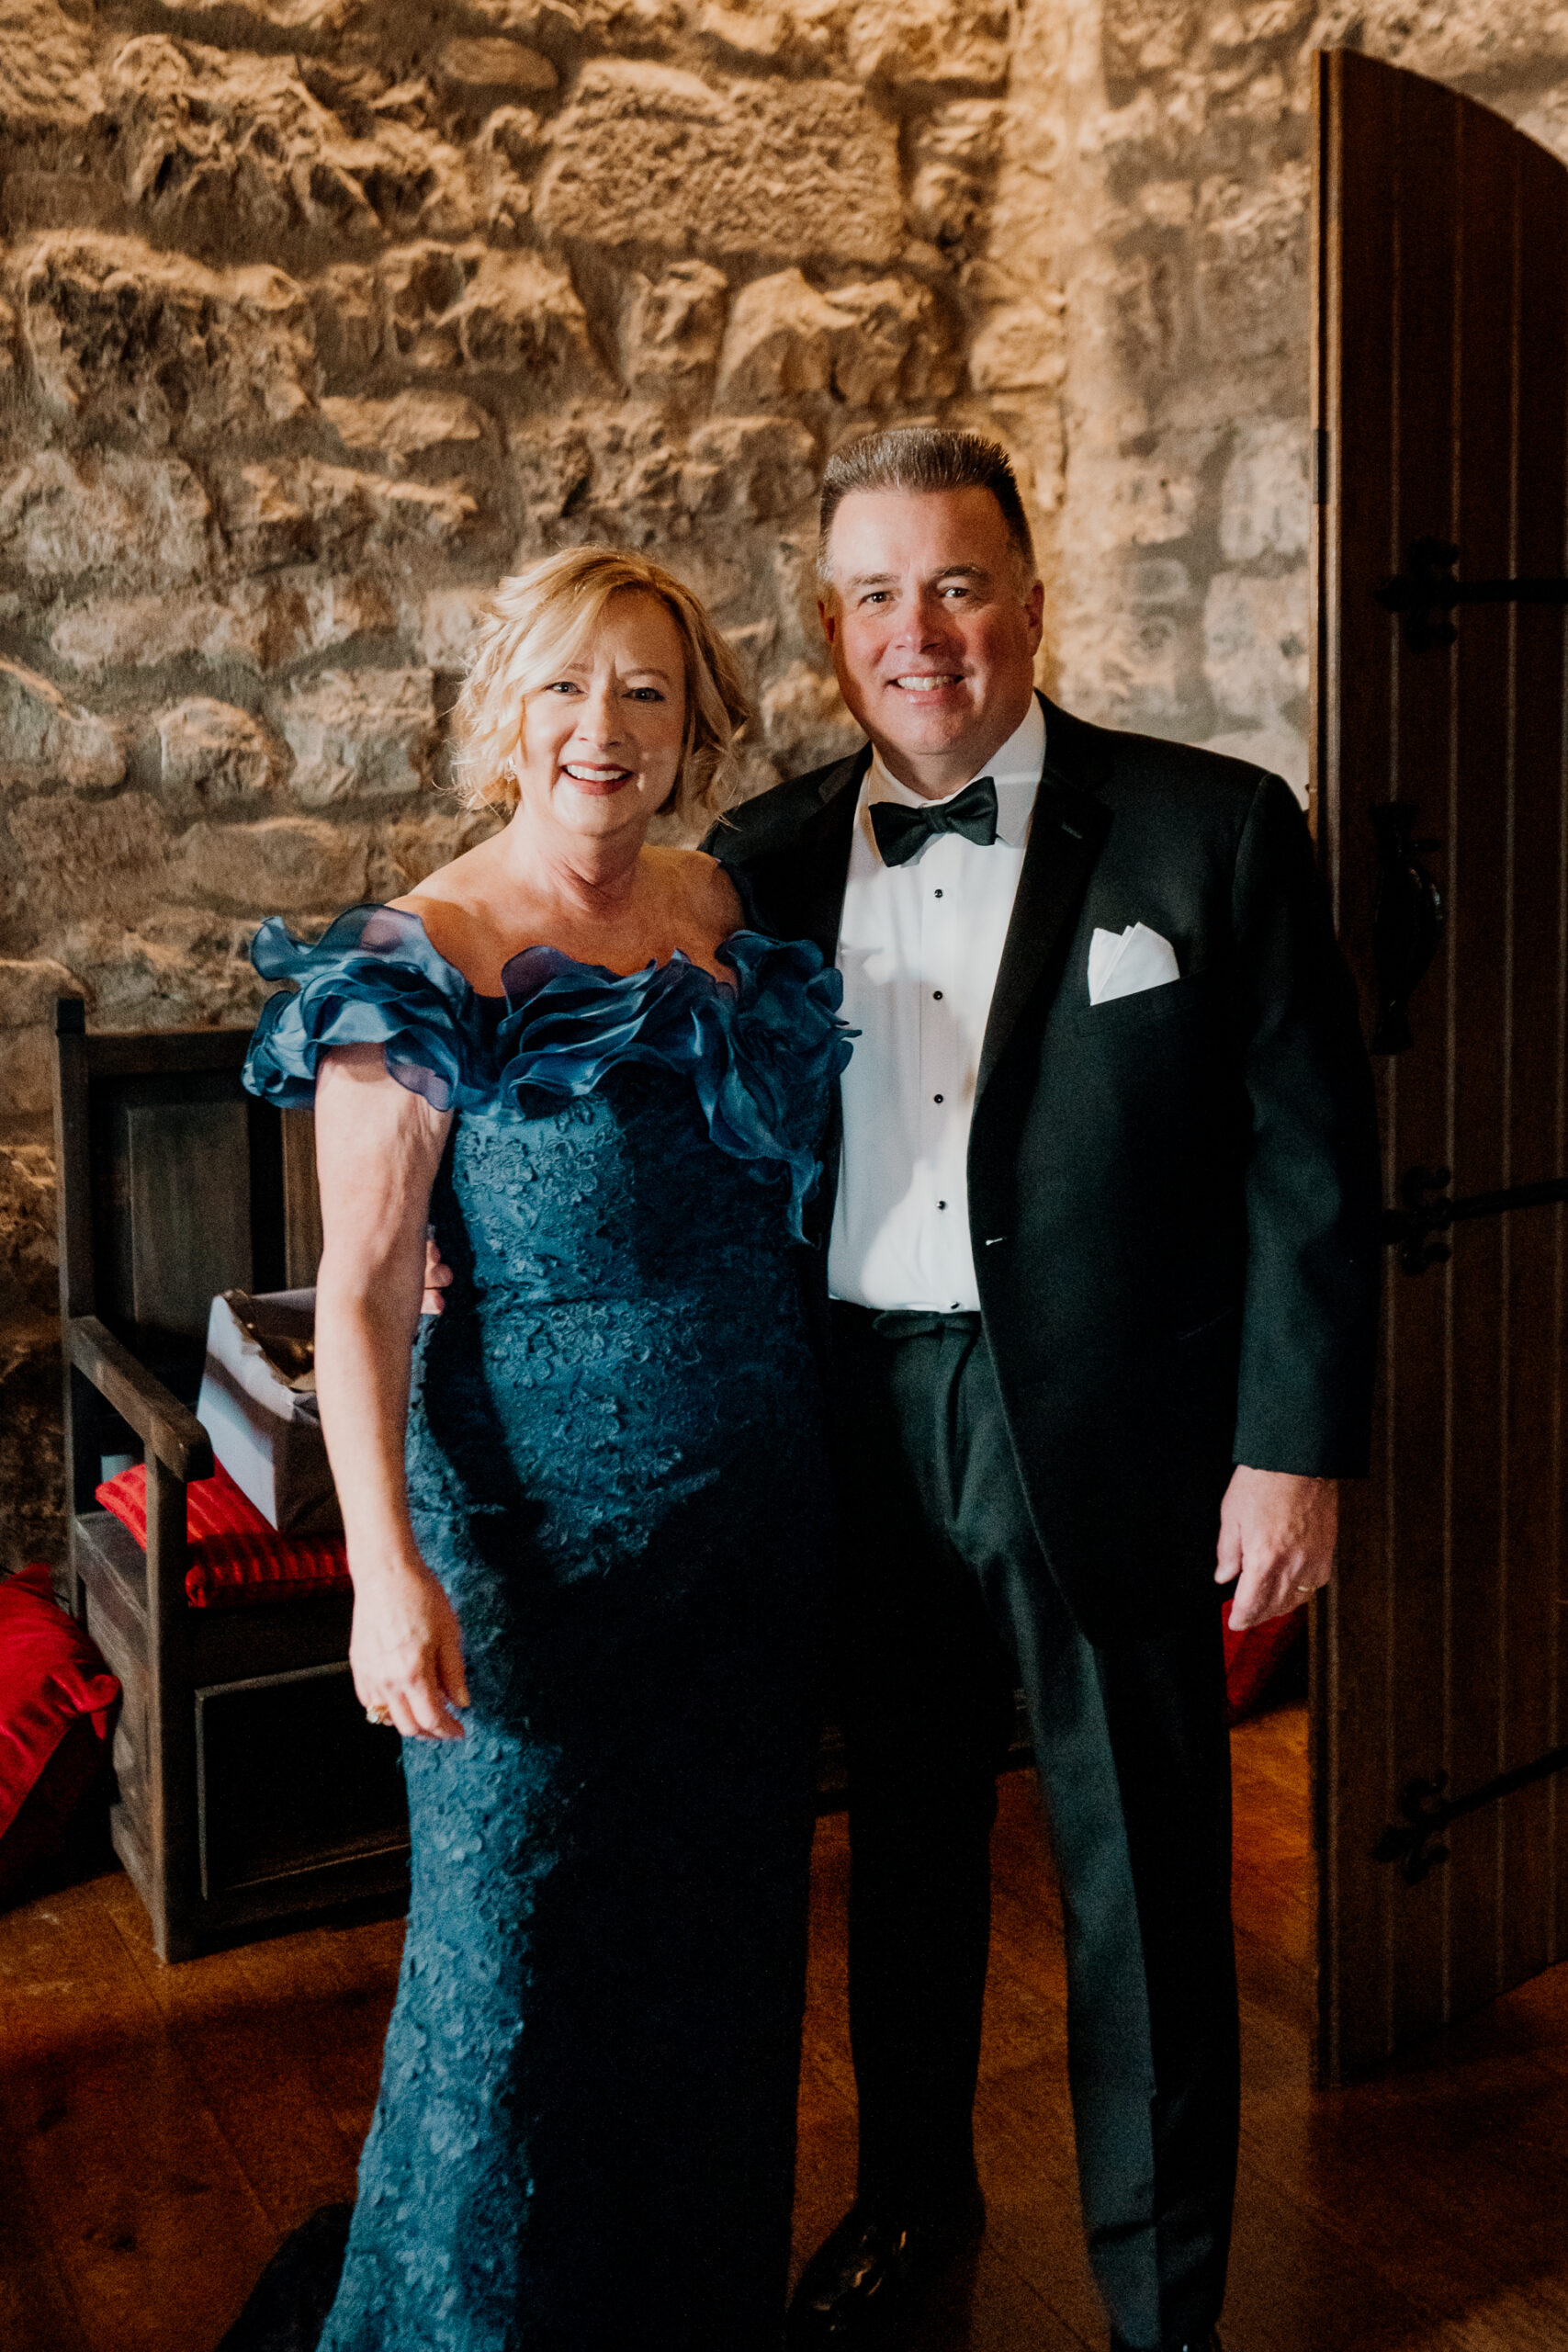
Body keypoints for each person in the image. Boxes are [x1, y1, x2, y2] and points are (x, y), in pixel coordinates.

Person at [709, 427, 1382, 2352]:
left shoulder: (1211, 827)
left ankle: (1159, 2304)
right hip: (847, 1414)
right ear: (830, 626)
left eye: (954, 582)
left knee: (1143, 1878)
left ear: (1027, 589)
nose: (916, 633)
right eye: (870, 594)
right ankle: (911, 2204)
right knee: (903, 1848)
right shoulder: (749, 865)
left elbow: (1309, 1166)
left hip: (1109, 1428)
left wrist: (1289, 1445)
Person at [236, 547, 852, 2352]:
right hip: (526, 1558)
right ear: (505, 709)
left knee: (720, 1961)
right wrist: (383, 1573)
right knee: (509, 1988)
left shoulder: (718, 910)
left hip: (746, 1541)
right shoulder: (417, 957)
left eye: (647, 691)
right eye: (569, 685)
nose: (606, 725)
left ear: (693, 728)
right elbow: (354, 1293)